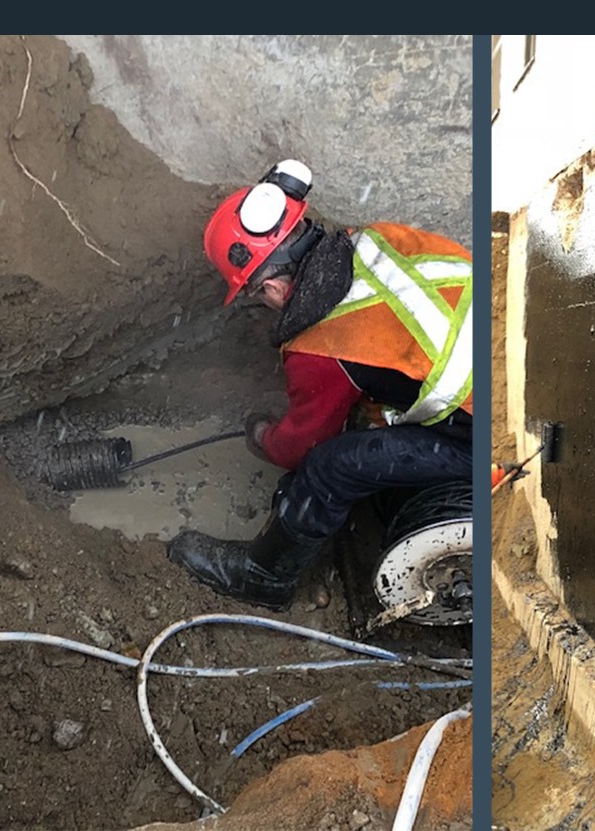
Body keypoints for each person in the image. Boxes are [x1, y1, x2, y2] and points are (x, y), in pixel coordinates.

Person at [166, 160, 473, 611]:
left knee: (331, 465)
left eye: (253, 295)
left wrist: (263, 437)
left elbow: (299, 448)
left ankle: (263, 577)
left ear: (269, 286)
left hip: (483, 437)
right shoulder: (378, 239)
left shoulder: (320, 349)